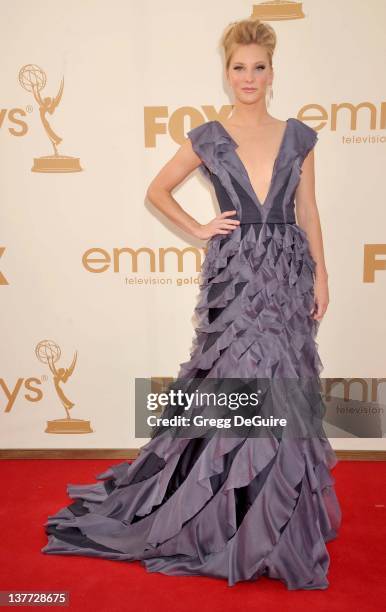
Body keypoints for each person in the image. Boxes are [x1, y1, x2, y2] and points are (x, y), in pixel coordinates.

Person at [41, 17, 342, 590]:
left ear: (272, 73)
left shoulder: (300, 136)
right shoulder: (207, 135)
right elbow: (157, 191)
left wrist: (322, 274)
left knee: (283, 382)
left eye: (258, 67)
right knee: (230, 381)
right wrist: (201, 227)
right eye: (238, 67)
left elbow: (310, 210)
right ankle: (219, 513)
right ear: (226, 73)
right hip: (235, 278)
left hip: (286, 273)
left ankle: (276, 517)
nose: (248, 77)